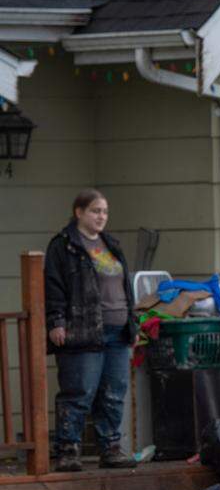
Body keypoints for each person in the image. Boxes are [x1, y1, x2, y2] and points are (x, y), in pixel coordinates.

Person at [44, 189, 137, 471]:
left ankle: (110, 448)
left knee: (113, 392)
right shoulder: (63, 246)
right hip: (82, 331)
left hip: (117, 331)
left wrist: (132, 326)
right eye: (96, 211)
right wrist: (56, 321)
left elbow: (124, 288)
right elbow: (53, 286)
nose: (101, 217)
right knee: (78, 391)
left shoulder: (111, 244)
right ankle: (67, 450)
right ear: (79, 212)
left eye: (105, 212)